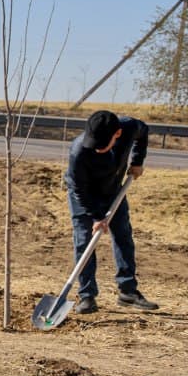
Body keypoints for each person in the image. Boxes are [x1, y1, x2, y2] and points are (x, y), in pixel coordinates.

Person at [65, 110, 157, 314]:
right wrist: (97, 216)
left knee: (123, 236)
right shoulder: (79, 151)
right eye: (93, 143)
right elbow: (79, 189)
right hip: (84, 194)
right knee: (84, 240)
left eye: (101, 144)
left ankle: (128, 291)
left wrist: (137, 161)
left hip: (113, 189)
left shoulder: (130, 127)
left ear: (117, 134)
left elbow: (144, 132)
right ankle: (87, 296)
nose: (96, 148)